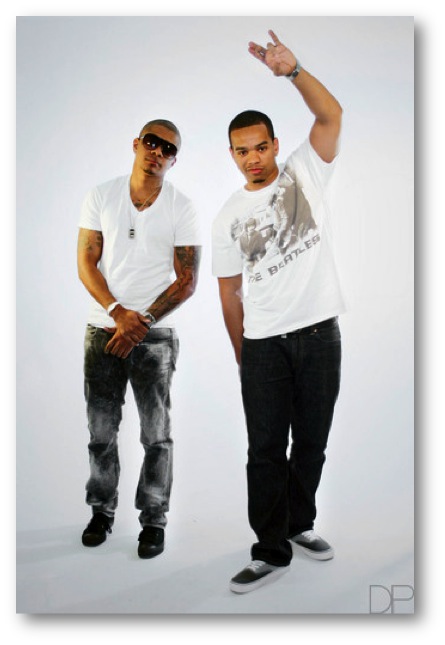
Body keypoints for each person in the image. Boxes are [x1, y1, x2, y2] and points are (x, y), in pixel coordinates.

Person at [212, 31, 345, 593]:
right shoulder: (226, 217)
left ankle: (298, 523)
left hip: (319, 335)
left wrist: (292, 72)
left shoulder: (303, 172)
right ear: (232, 154)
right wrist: (243, 353)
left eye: (260, 147)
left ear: (274, 144)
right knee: (265, 450)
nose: (253, 159)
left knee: (312, 442)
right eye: (242, 151)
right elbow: (229, 293)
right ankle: (269, 550)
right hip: (264, 344)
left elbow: (331, 115)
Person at [77, 119, 201, 559]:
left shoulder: (181, 206)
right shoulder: (101, 195)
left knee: (156, 435)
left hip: (154, 336)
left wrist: (140, 322)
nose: (158, 152)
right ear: (136, 144)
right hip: (103, 330)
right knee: (101, 431)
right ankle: (101, 512)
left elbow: (187, 280)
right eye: (152, 142)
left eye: (169, 149)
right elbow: (86, 263)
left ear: (174, 160)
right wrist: (118, 313)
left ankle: (153, 520)